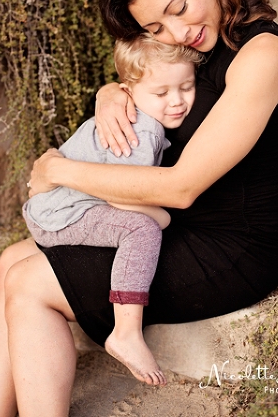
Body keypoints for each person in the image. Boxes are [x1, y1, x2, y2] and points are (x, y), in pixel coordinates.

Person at [0, 0, 278, 417]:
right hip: (176, 228)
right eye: (156, 29)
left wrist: (61, 170)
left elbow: (183, 186)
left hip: (233, 248)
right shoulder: (198, 48)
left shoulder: (262, 53)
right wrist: (114, 91)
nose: (176, 33)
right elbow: (157, 80)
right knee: (8, 263)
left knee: (28, 284)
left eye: (179, 9)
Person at [23, 37, 202, 385]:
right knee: (142, 229)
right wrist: (164, 216)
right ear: (129, 92)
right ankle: (126, 331)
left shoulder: (140, 115)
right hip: (62, 212)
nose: (177, 101)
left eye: (186, 87)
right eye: (162, 93)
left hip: (58, 206)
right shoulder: (142, 129)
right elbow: (123, 197)